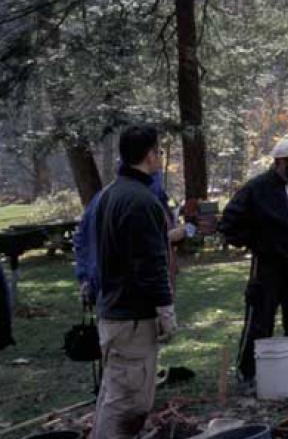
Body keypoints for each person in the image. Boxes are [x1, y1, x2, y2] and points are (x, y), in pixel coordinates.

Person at [92, 125, 175, 439]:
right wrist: (166, 310)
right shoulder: (140, 200)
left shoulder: (111, 193)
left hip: (115, 313)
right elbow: (150, 265)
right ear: (150, 154)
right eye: (159, 151)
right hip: (132, 319)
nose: (160, 157)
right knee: (127, 404)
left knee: (115, 395)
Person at [219, 138, 288, 387]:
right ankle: (248, 371)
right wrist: (257, 243)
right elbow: (230, 222)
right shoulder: (256, 188)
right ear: (281, 162)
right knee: (260, 317)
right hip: (268, 265)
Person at [75, 170, 184, 307]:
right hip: (132, 294)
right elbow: (138, 243)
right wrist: (172, 235)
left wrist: (84, 277)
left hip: (108, 292)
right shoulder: (141, 200)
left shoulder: (103, 197)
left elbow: (81, 239)